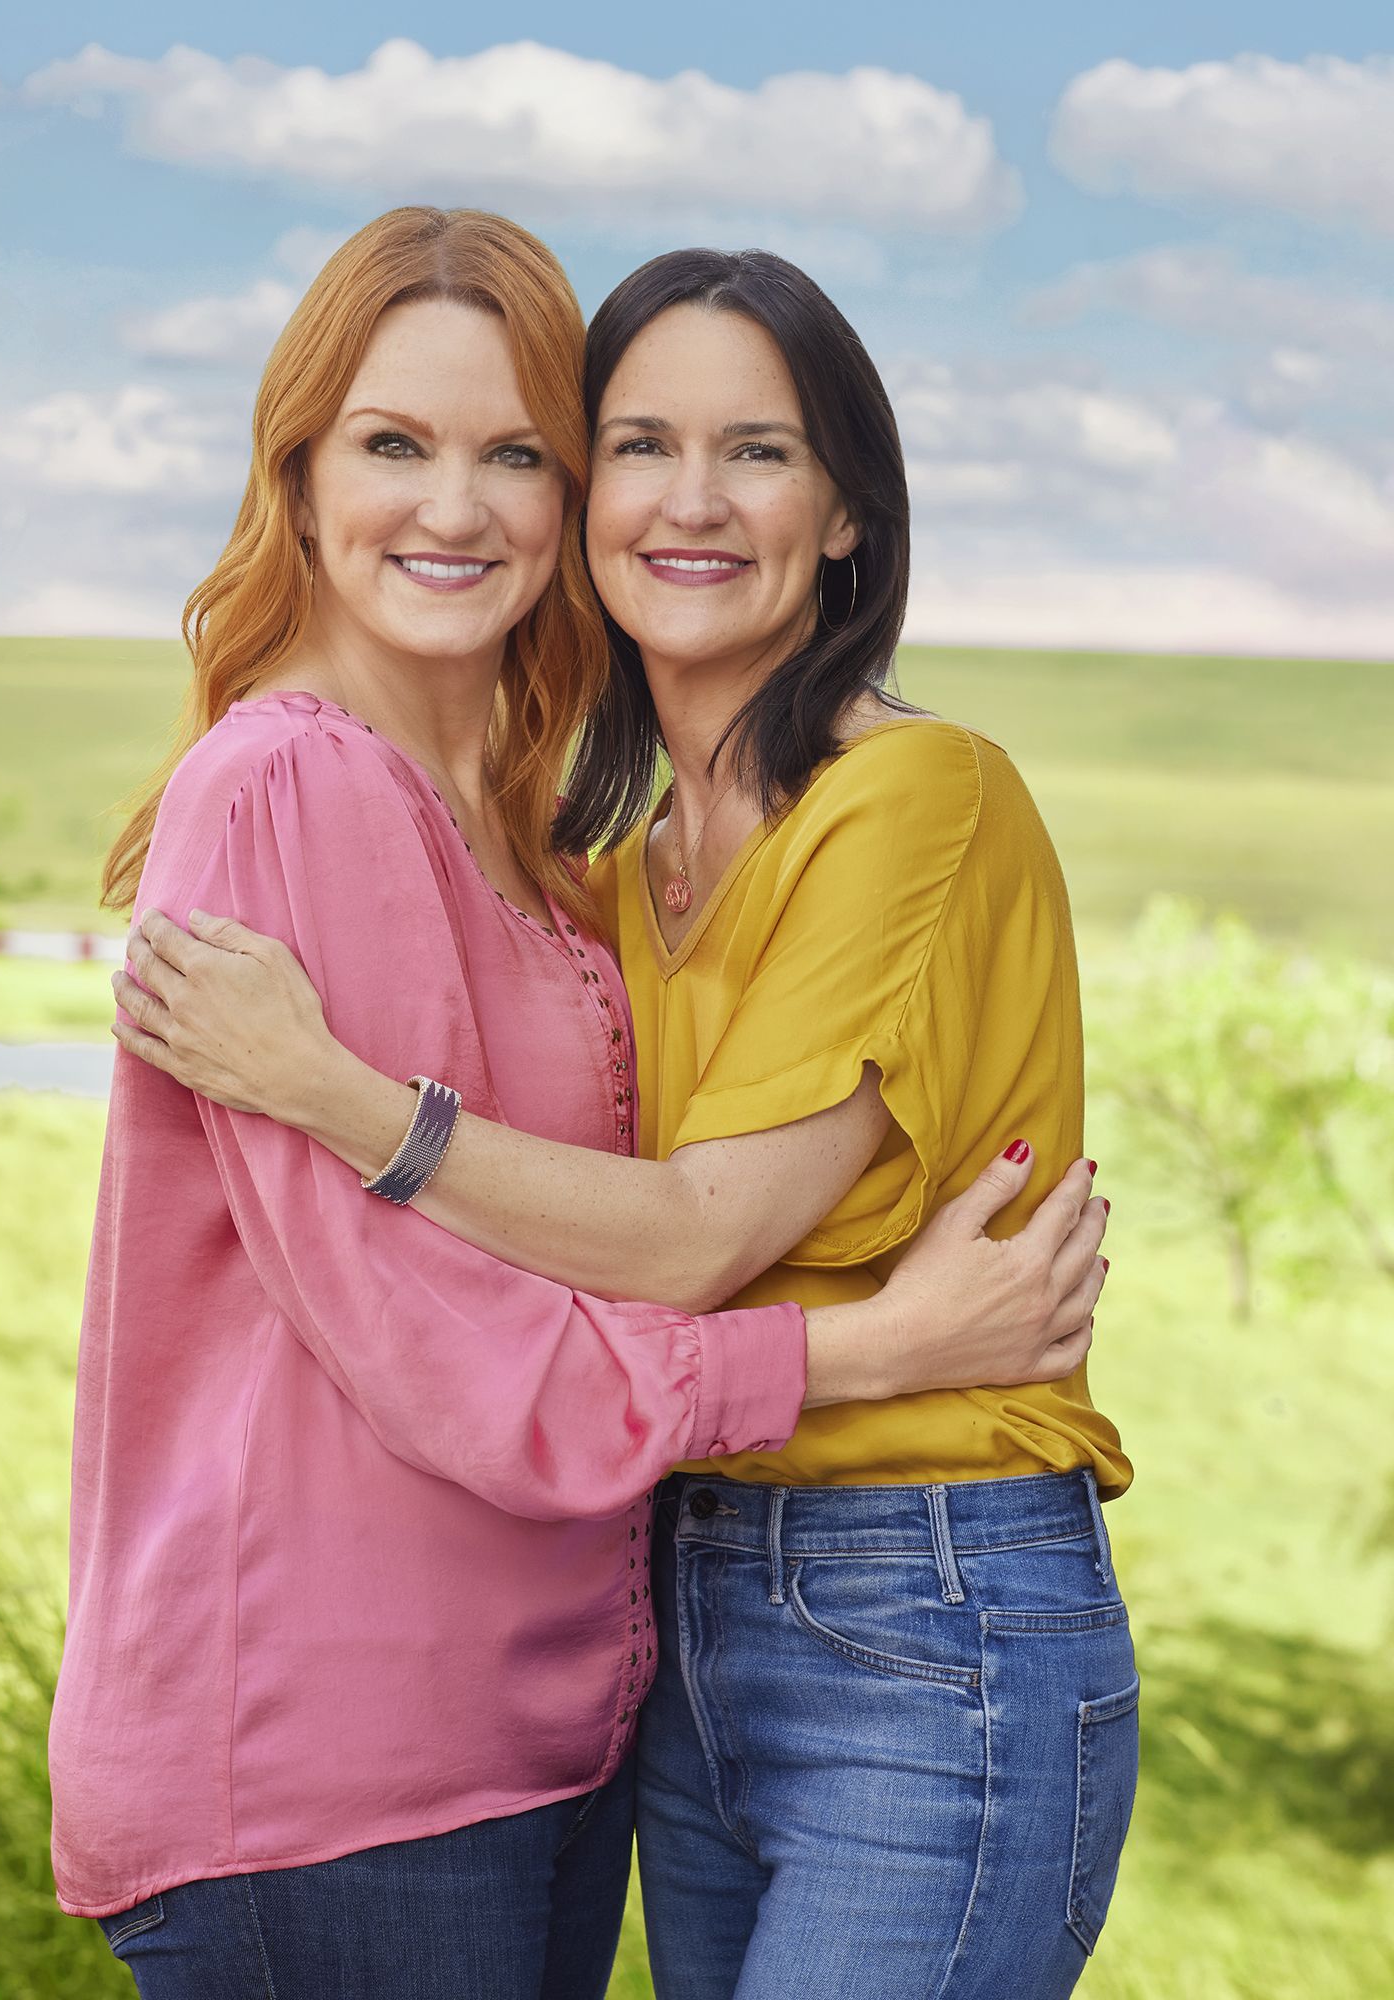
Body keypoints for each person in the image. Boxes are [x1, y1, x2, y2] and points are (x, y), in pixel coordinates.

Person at [94, 213, 1111, 2000]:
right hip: (346, 1749)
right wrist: (862, 1350)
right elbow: (446, 1332)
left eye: (520, 455)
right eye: (395, 446)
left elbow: (688, 1234)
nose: (457, 507)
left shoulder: (663, 836)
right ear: (301, 475)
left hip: (688, 1672)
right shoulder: (329, 799)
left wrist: (351, 1100)